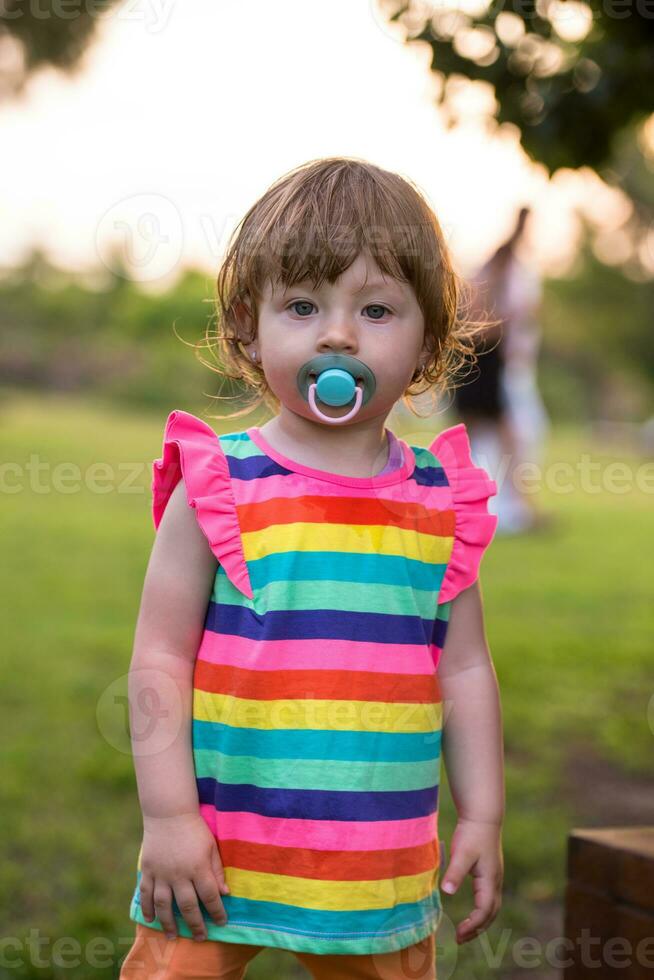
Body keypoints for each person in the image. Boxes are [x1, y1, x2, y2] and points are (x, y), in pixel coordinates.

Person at [119, 158, 504, 979]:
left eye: (376, 308)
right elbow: (158, 658)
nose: (338, 335)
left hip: (377, 864)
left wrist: (484, 815)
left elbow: (466, 669)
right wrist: (169, 819)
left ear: (428, 340)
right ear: (248, 331)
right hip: (218, 856)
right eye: (302, 306)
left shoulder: (443, 504)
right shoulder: (217, 487)